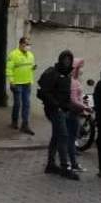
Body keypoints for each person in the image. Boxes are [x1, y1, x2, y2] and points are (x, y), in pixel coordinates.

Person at [37, 50, 78, 180]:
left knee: (56, 136)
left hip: (62, 109)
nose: (67, 62)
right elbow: (45, 92)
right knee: (63, 136)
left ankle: (50, 164)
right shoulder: (54, 73)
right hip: (54, 110)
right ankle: (65, 167)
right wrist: (57, 106)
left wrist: (69, 107)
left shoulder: (66, 75)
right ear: (60, 60)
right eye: (65, 59)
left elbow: (65, 94)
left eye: (69, 59)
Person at [6, 36, 36, 135]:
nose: (28, 46)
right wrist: (11, 81)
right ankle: (14, 122)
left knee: (26, 104)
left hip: (27, 83)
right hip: (17, 83)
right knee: (18, 104)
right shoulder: (13, 54)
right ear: (20, 44)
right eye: (26, 44)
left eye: (29, 44)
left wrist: (33, 68)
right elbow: (9, 69)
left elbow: (29, 67)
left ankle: (25, 125)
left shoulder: (31, 55)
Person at [67, 58, 90, 172]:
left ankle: (70, 162)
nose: (81, 70)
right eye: (79, 68)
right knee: (71, 139)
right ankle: (71, 163)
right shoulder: (72, 81)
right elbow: (73, 99)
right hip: (72, 113)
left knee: (70, 138)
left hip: (74, 112)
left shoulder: (75, 80)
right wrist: (84, 107)